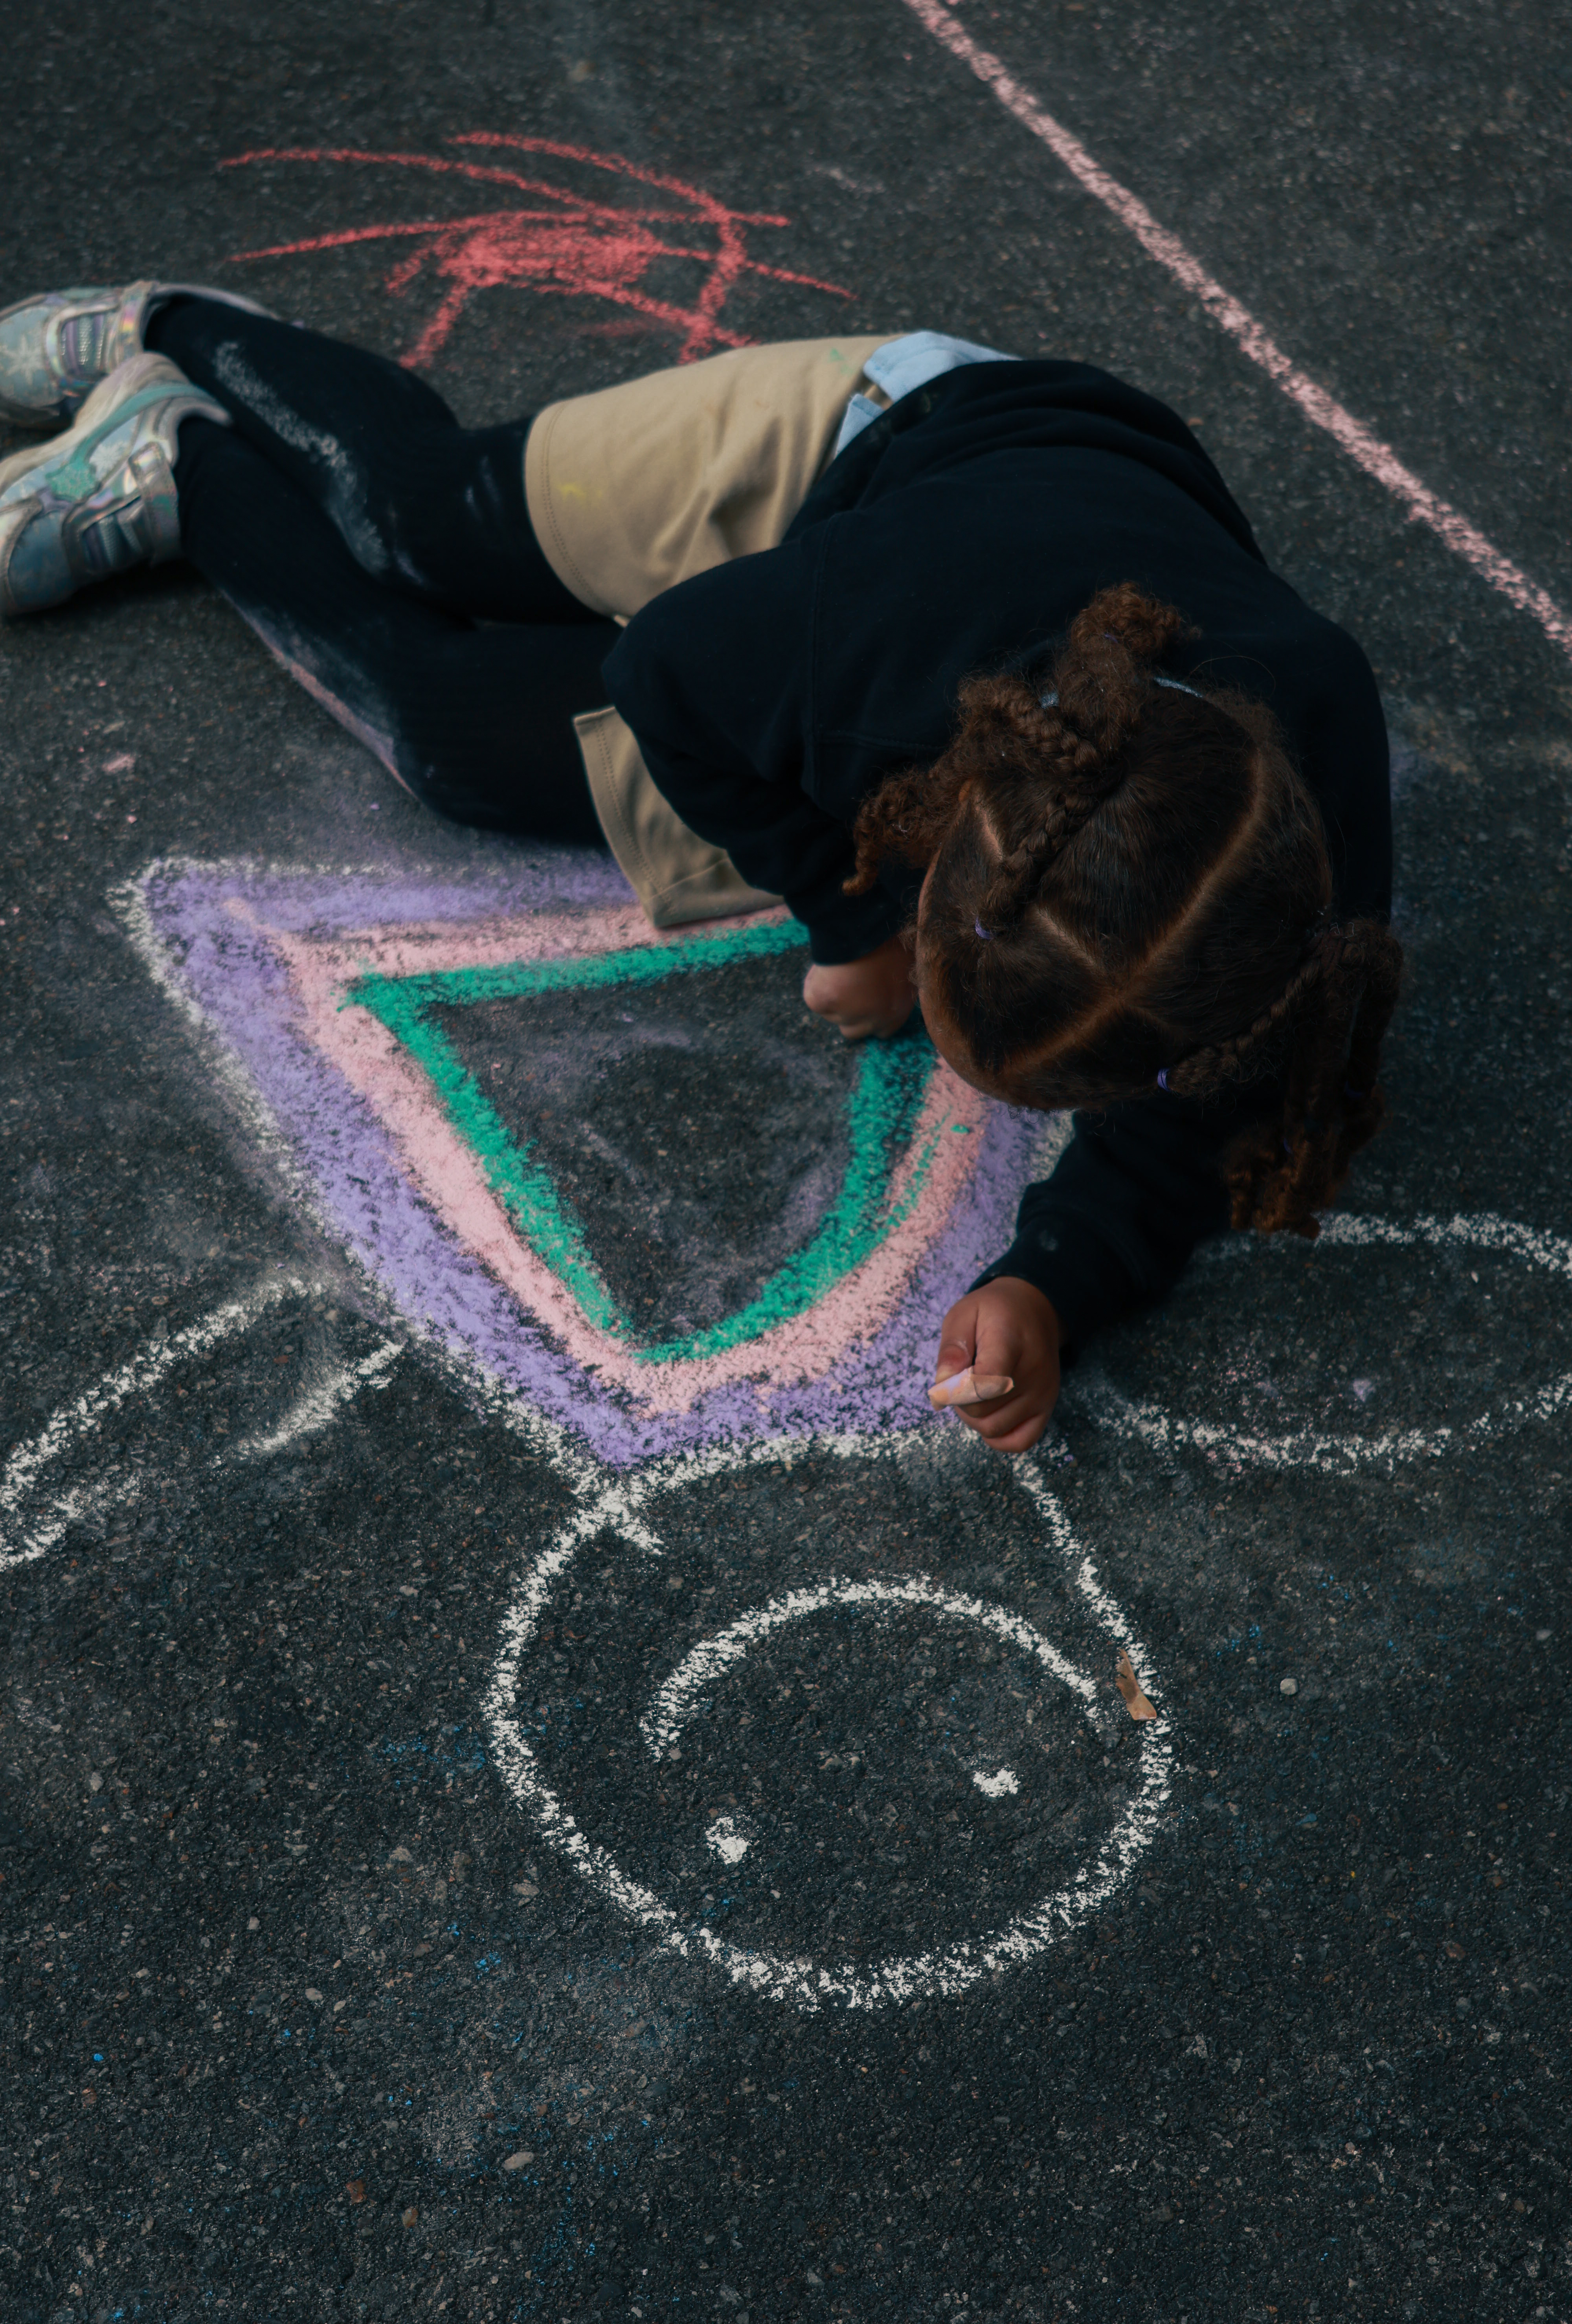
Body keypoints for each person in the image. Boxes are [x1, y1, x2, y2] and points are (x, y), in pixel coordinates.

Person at [0, 286, 1400, 1452]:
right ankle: (174, 353)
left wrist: (1055, 1274)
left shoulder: (1284, 859)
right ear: (952, 828)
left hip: (929, 622)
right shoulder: (874, 654)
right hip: (871, 439)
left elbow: (1213, 1090)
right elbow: (664, 670)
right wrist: (851, 920)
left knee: (446, 734)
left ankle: (175, 463)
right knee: (425, 523)